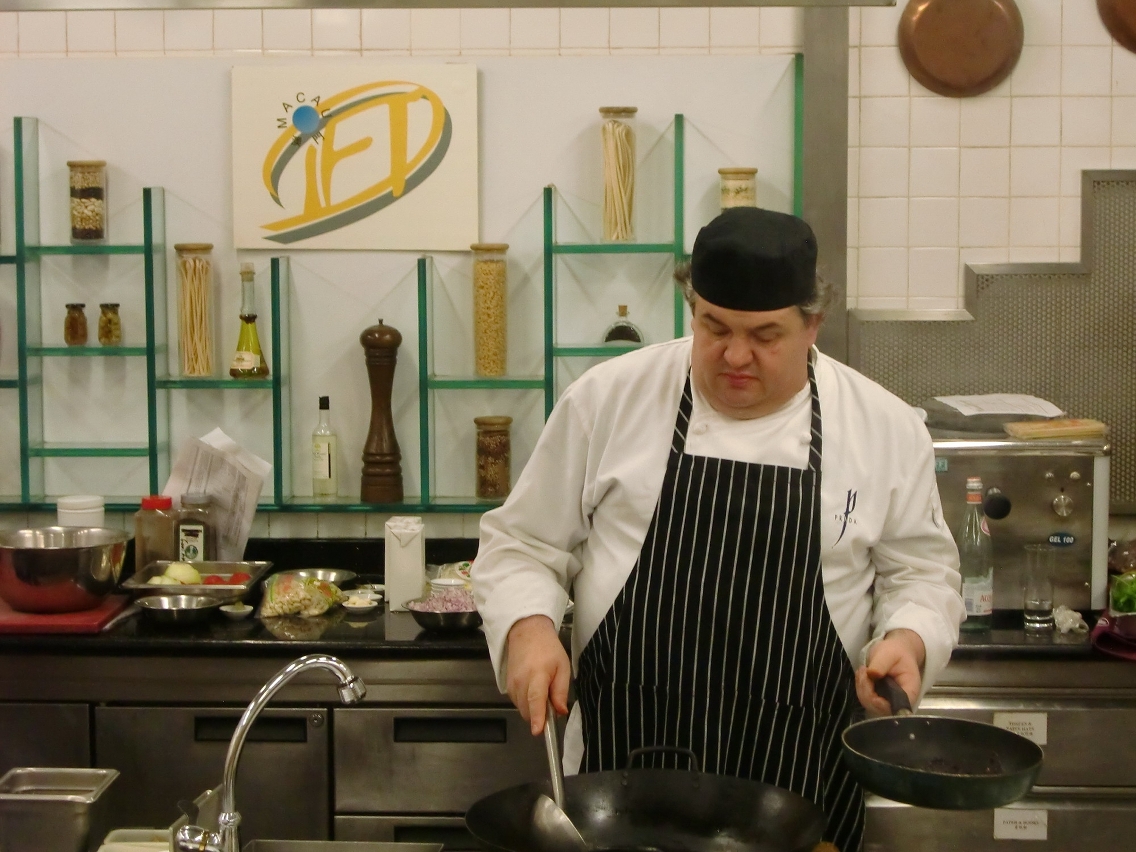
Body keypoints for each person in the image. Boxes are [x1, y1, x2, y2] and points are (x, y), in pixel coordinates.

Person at [472, 206, 964, 851]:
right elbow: (521, 544)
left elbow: (921, 573)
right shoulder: (608, 399)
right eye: (714, 326)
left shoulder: (885, 427)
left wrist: (909, 637)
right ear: (692, 307)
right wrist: (529, 627)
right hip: (623, 793)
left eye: (765, 335)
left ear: (813, 324)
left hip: (800, 793)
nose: (735, 355)